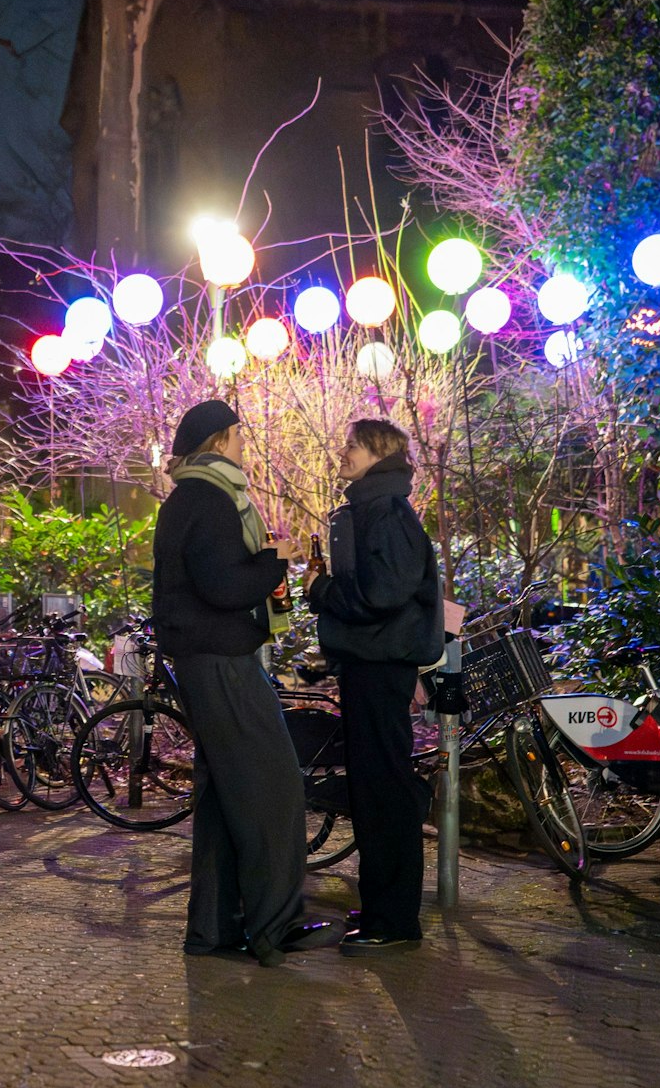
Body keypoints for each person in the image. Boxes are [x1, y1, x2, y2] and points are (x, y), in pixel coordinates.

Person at [151, 400, 336, 967]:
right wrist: (271, 564)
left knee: (222, 798)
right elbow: (222, 585)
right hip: (223, 660)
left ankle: (214, 929)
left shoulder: (190, 497)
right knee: (272, 789)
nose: (244, 448)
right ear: (222, 440)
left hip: (206, 658)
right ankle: (276, 925)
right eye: (240, 438)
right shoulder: (208, 498)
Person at [305, 418, 442, 957]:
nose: (344, 452)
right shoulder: (374, 509)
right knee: (375, 790)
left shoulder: (386, 512)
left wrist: (324, 591)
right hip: (373, 665)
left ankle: (395, 919)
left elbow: (383, 593)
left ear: (376, 454)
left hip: (381, 667)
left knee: (382, 791)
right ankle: (385, 907)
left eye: (352, 446)